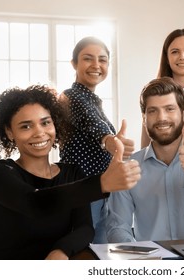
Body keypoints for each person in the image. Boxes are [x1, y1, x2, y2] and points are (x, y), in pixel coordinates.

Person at [0, 85, 140, 260]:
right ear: (10, 132)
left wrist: (62, 250)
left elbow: (85, 228)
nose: (39, 132)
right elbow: (35, 203)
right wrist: (102, 183)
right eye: (26, 126)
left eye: (45, 122)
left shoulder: (72, 172)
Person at [107, 77, 184, 242]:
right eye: (153, 111)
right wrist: (137, 257)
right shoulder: (128, 168)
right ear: (144, 118)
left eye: (169, 109)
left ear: (183, 114)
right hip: (151, 262)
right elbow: (118, 227)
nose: (161, 117)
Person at [59, 36, 135, 243]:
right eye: (88, 59)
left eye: (102, 60)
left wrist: (117, 144)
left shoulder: (94, 100)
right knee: (85, 253)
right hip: (83, 195)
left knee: (99, 252)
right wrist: (109, 140)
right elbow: (91, 122)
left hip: (99, 193)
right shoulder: (70, 96)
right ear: (74, 64)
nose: (96, 65)